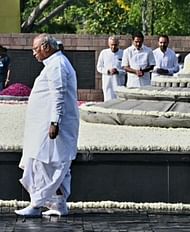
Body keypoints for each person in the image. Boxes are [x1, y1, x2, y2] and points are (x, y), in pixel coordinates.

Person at [15, 33, 80, 217]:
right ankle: (58, 204)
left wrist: (54, 122)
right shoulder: (54, 64)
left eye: (36, 49)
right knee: (45, 163)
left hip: (52, 127)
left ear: (46, 47)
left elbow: (58, 95)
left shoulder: (57, 65)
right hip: (44, 126)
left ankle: (36, 205)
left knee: (43, 163)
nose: (34, 53)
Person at [96, 36, 125, 101]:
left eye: (115, 45)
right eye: (112, 45)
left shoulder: (123, 53)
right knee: (108, 101)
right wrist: (107, 71)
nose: (113, 47)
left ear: (118, 44)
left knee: (119, 101)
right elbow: (99, 67)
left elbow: (126, 69)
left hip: (119, 83)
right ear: (108, 44)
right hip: (107, 83)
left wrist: (118, 71)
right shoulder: (104, 53)